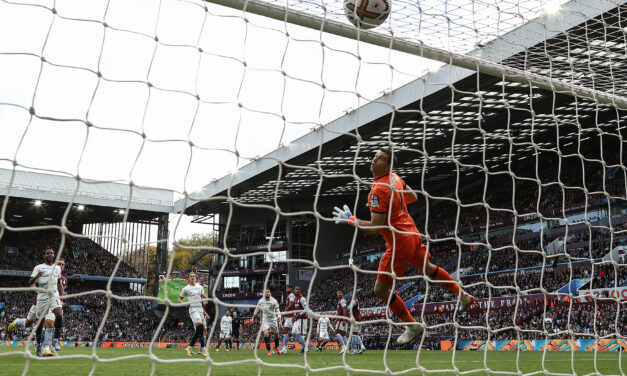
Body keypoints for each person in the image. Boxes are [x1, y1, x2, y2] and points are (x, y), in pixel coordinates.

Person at [333, 148, 476, 344]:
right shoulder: (395, 178)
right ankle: (463, 295)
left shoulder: (378, 189)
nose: (374, 159)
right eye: (375, 156)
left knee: (380, 290)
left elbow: (375, 228)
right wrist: (389, 207)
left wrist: (350, 219)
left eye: (380, 158)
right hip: (413, 233)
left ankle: (412, 325)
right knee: (428, 269)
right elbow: (413, 197)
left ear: (389, 164)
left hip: (399, 242)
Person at [9, 259, 66, 356]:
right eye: (59, 264)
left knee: (49, 324)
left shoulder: (62, 279)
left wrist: (62, 296)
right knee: (28, 323)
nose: (61, 266)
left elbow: (60, 291)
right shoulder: (45, 273)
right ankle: (17, 321)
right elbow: (32, 284)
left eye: (63, 264)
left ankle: (46, 348)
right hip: (39, 303)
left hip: (52, 304)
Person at [29, 248, 64, 356]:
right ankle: (39, 344)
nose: (50, 254)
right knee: (40, 323)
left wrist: (62, 294)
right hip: (42, 297)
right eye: (47, 253)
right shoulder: (38, 267)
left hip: (54, 295)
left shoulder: (57, 268)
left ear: (54, 256)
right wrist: (36, 277)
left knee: (59, 314)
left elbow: (59, 282)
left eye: (52, 253)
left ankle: (56, 339)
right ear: (44, 256)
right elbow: (30, 282)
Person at [178, 272, 209, 356]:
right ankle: (203, 348)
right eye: (191, 276)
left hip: (200, 309)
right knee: (200, 326)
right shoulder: (186, 288)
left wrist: (204, 296)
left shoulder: (200, 287)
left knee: (201, 329)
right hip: (193, 309)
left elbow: (202, 295)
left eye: (193, 276)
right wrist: (184, 303)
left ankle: (190, 347)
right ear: (188, 278)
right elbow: (179, 299)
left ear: (196, 278)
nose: (192, 277)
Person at [253, 289, 283, 356]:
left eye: (268, 291)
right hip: (265, 319)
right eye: (265, 292)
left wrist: (279, 319)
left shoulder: (274, 301)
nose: (267, 293)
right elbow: (257, 309)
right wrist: (253, 316)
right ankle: (269, 350)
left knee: (276, 335)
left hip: (273, 319)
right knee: (266, 333)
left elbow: (278, 311)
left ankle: (276, 347)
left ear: (270, 293)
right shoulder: (261, 301)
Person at [291, 286, 310, 355]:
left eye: (298, 289)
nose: (296, 290)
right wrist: (294, 316)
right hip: (297, 319)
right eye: (295, 289)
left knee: (299, 334)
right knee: (293, 333)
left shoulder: (302, 299)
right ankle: (304, 347)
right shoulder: (295, 299)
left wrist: (299, 315)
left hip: (302, 319)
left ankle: (305, 349)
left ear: (300, 291)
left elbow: (306, 309)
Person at [280, 284, 296, 354]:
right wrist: (283, 304)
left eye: (288, 288)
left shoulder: (291, 295)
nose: (287, 289)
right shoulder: (289, 296)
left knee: (296, 333)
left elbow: (291, 305)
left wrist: (284, 312)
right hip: (289, 317)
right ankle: (284, 348)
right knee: (285, 331)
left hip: (293, 316)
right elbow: (289, 304)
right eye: (286, 288)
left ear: (291, 289)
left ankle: (304, 347)